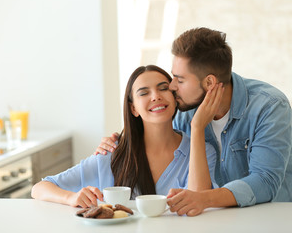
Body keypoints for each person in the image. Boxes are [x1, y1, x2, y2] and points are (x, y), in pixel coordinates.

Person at [95, 27, 292, 216]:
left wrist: (205, 199)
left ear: (209, 83)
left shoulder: (269, 106)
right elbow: (156, 137)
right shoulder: (185, 109)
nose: (172, 86)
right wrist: (119, 142)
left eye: (179, 80)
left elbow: (265, 181)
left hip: (269, 220)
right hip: (209, 221)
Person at [31, 65, 221, 208]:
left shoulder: (202, 151)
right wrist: (71, 197)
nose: (155, 96)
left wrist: (196, 128)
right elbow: (40, 188)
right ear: (133, 108)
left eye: (163, 88)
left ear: (174, 97)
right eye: (144, 93)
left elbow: (198, 204)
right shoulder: (111, 154)